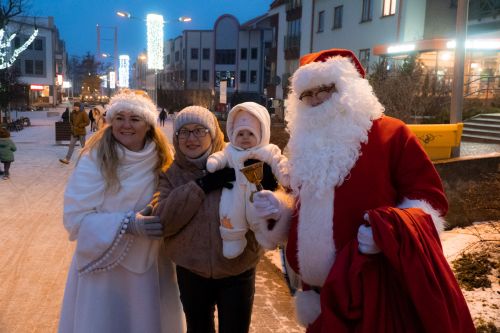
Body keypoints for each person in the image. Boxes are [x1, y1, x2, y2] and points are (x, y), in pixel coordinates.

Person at [250, 49, 475, 332]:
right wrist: (281, 210)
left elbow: (429, 200)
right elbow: (306, 207)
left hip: (374, 296)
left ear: (349, 88)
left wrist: (389, 232)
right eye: (307, 94)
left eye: (325, 89)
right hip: (316, 299)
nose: (317, 98)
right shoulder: (303, 145)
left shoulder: (393, 134)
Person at [58, 90, 185, 333]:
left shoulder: (164, 158)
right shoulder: (94, 159)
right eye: (119, 118)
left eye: (135, 119)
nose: (126, 125)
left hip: (151, 264)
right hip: (103, 269)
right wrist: (127, 224)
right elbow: (75, 219)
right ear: (110, 121)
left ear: (148, 125)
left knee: (145, 321)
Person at [154, 106, 262, 333]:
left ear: (213, 134)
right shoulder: (171, 174)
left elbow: (266, 199)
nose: (191, 138)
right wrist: (201, 186)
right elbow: (163, 220)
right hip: (192, 272)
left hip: (238, 269)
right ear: (176, 137)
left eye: (200, 130)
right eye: (184, 132)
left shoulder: (239, 159)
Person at [206, 102, 289, 258]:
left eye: (250, 134)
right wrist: (214, 162)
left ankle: (263, 234)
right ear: (233, 134)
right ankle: (233, 238)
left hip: (257, 194)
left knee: (261, 213)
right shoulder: (230, 150)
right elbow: (221, 157)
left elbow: (279, 162)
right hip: (234, 194)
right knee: (230, 213)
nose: (245, 138)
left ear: (261, 133)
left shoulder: (267, 150)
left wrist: (284, 175)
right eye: (240, 133)